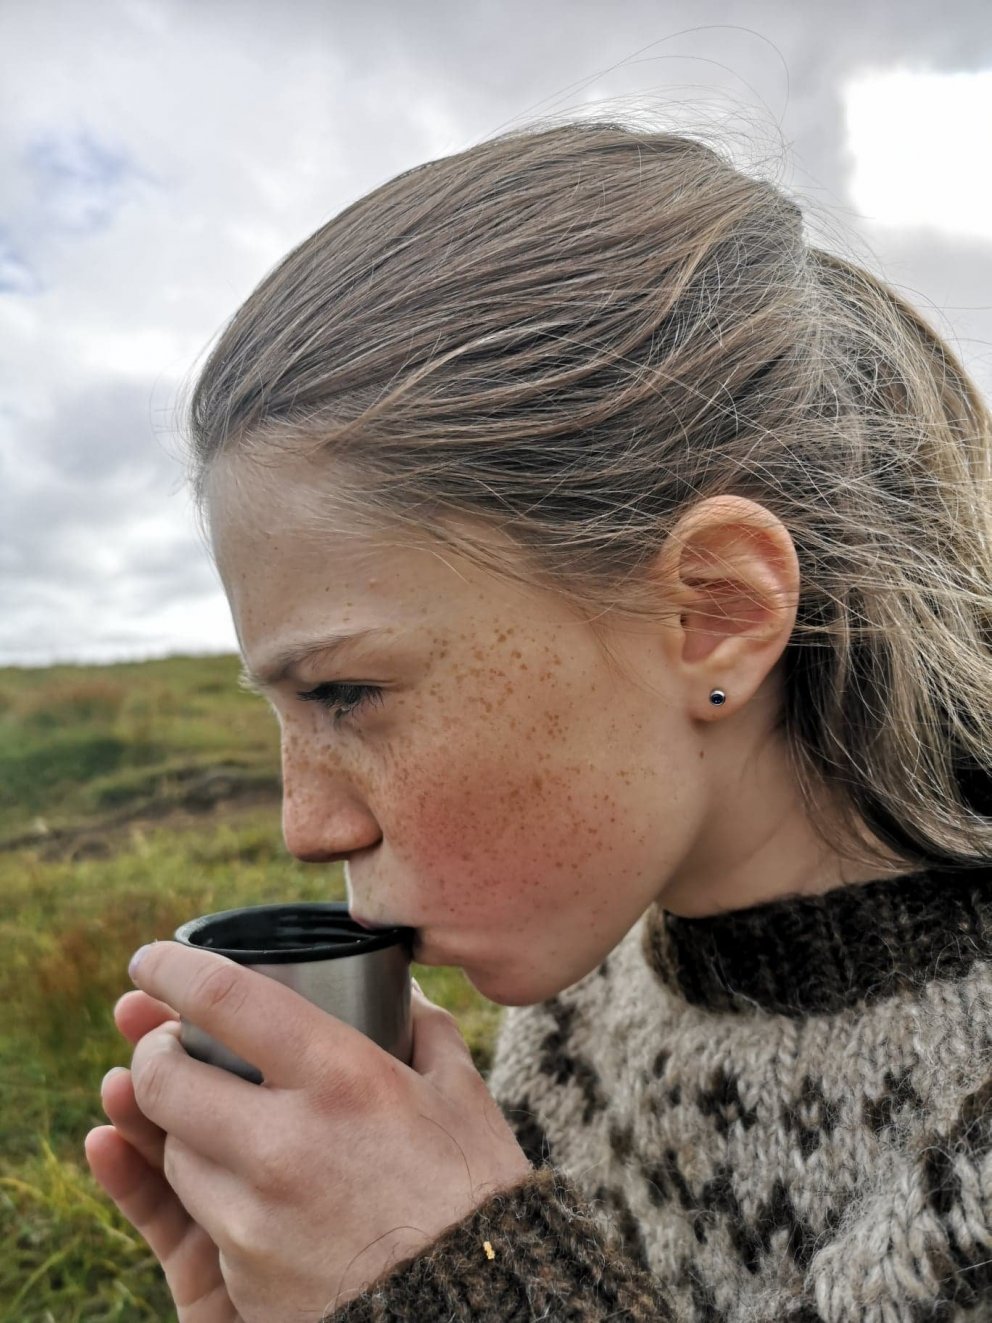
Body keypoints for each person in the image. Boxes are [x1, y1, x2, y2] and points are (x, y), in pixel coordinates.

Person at [84, 119, 992, 1322]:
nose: (304, 826)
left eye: (346, 693)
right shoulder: (576, 1016)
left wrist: (440, 1286)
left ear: (713, 611)